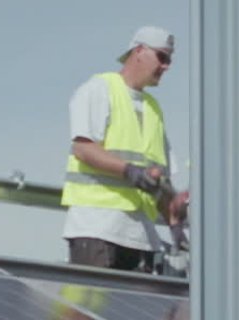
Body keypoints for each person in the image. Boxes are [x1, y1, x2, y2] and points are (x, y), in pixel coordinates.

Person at [62, 26, 189, 271]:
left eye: (170, 60)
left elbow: (159, 179)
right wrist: (131, 171)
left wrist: (175, 217)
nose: (167, 66)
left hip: (140, 237)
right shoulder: (100, 89)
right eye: (162, 57)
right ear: (139, 51)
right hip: (97, 229)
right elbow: (84, 149)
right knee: (89, 308)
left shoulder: (153, 109)